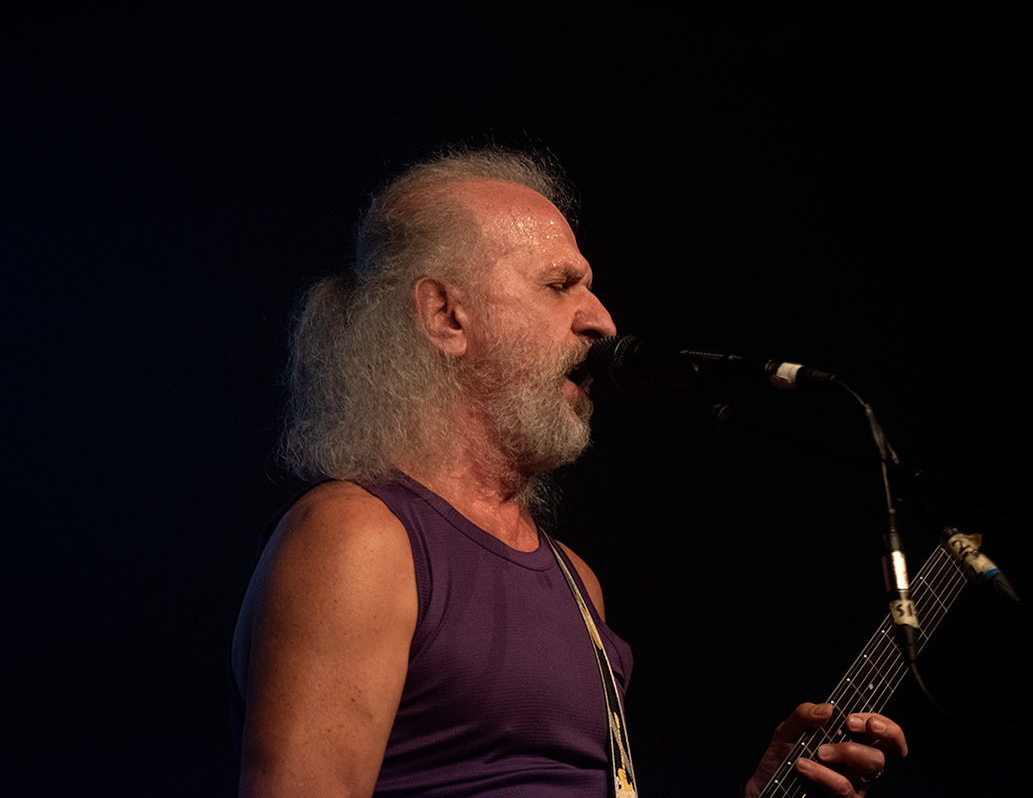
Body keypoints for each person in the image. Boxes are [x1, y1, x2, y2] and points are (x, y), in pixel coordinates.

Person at [230, 147, 908, 798]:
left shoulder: (578, 581)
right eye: (559, 286)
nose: (602, 320)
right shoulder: (356, 537)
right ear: (445, 315)